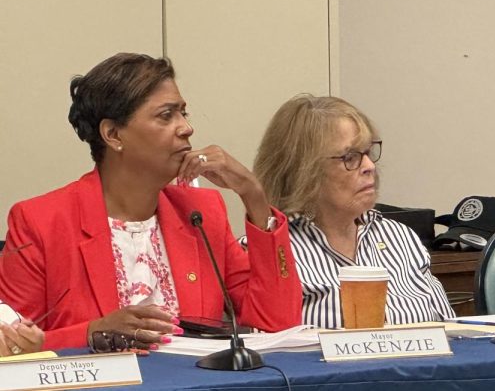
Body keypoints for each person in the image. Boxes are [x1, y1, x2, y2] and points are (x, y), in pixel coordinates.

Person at [0, 53, 300, 350]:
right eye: (166, 115)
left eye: (184, 113)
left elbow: (278, 323)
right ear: (113, 134)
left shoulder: (202, 213)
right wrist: (93, 333)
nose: (186, 127)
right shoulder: (41, 221)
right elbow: (11, 346)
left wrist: (254, 196)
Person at [253, 95, 455, 328]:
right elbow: (266, 352)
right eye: (350, 157)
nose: (369, 166)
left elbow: (452, 334)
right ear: (303, 171)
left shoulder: (400, 238)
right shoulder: (270, 252)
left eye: (368, 152)